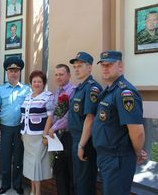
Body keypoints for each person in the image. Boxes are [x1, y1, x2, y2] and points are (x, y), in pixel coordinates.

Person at [92, 50, 148, 195]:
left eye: (109, 64)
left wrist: (136, 152)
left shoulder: (125, 93)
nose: (105, 68)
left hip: (118, 160)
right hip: (107, 158)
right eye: (102, 65)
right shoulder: (109, 91)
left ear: (120, 66)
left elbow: (137, 131)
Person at [0, 57, 31, 194]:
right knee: (5, 157)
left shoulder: (27, 90)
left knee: (19, 156)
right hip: (6, 128)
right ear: (7, 72)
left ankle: (17, 184)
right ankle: (5, 184)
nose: (14, 73)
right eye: (11, 71)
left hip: (21, 129)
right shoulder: (0, 90)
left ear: (20, 72)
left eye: (16, 71)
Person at [68, 52, 102, 195]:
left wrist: (81, 145)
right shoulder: (80, 87)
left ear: (89, 68)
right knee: (79, 180)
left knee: (84, 183)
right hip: (77, 138)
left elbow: (90, 118)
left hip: (85, 140)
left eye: (80, 66)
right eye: (75, 66)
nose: (76, 69)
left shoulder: (91, 88)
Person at [20, 70, 54, 195]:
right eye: (34, 81)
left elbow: (50, 117)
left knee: (36, 165)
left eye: (39, 81)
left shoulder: (48, 96)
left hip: (39, 136)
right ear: (31, 83)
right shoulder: (28, 96)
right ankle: (33, 190)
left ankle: (37, 192)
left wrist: (45, 135)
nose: (36, 84)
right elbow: (23, 115)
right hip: (27, 136)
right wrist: (23, 133)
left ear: (43, 83)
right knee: (30, 165)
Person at [48, 64, 75, 195]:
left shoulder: (73, 91)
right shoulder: (57, 92)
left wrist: (53, 127)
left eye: (61, 74)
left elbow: (69, 115)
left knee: (70, 172)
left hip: (68, 137)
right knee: (59, 171)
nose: (58, 77)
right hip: (56, 136)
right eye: (56, 74)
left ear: (69, 75)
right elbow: (53, 114)